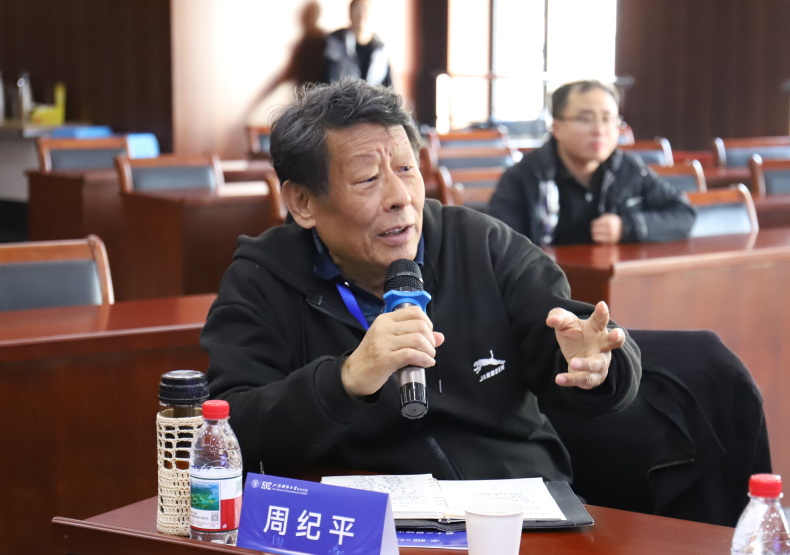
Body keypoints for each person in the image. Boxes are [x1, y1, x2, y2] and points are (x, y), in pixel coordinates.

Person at [201, 79, 641, 483]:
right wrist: (346, 379)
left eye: (407, 170)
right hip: (367, 515)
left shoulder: (483, 244)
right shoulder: (263, 277)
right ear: (302, 202)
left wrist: (599, 367)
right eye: (368, 179)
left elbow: (574, 339)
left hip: (512, 504)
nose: (399, 198)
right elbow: (231, 430)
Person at [487, 80, 696, 246]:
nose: (599, 130)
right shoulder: (523, 177)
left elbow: (684, 215)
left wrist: (626, 227)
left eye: (607, 119)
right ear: (557, 127)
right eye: (585, 119)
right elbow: (501, 246)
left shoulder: (629, 169)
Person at [322, 0, 392, 87]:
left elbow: (389, 86)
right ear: (350, 14)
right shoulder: (335, 42)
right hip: (343, 94)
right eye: (357, 10)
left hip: (372, 95)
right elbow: (327, 80)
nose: (362, 14)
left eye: (366, 10)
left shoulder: (380, 49)